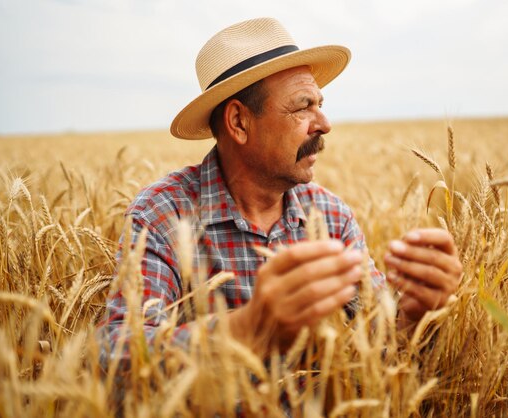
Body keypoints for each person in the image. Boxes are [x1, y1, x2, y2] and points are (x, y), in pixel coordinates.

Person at [101, 17, 462, 362]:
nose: (324, 124)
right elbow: (117, 353)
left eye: (320, 105)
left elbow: (385, 342)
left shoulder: (329, 218)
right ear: (239, 122)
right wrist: (249, 328)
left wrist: (418, 313)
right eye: (303, 107)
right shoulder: (164, 214)